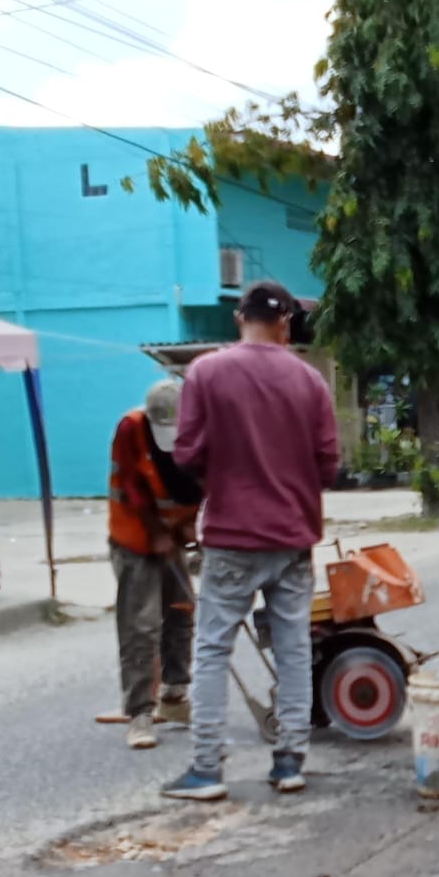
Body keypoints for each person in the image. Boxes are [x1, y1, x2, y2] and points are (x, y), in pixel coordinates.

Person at [161, 281, 340, 800]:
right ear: (286, 322)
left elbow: (187, 454)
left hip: (231, 536)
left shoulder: (207, 372)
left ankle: (206, 770)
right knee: (292, 649)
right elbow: (328, 467)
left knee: (214, 648)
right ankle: (289, 762)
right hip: (292, 537)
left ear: (240, 318)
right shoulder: (310, 381)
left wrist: (226, 475)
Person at [108, 380, 203, 750]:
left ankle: (175, 695)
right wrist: (157, 532)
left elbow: (204, 483)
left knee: (182, 608)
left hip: (172, 534)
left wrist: (188, 527)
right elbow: (132, 487)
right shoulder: (131, 429)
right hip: (134, 535)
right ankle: (139, 713)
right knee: (141, 624)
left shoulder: (202, 429)